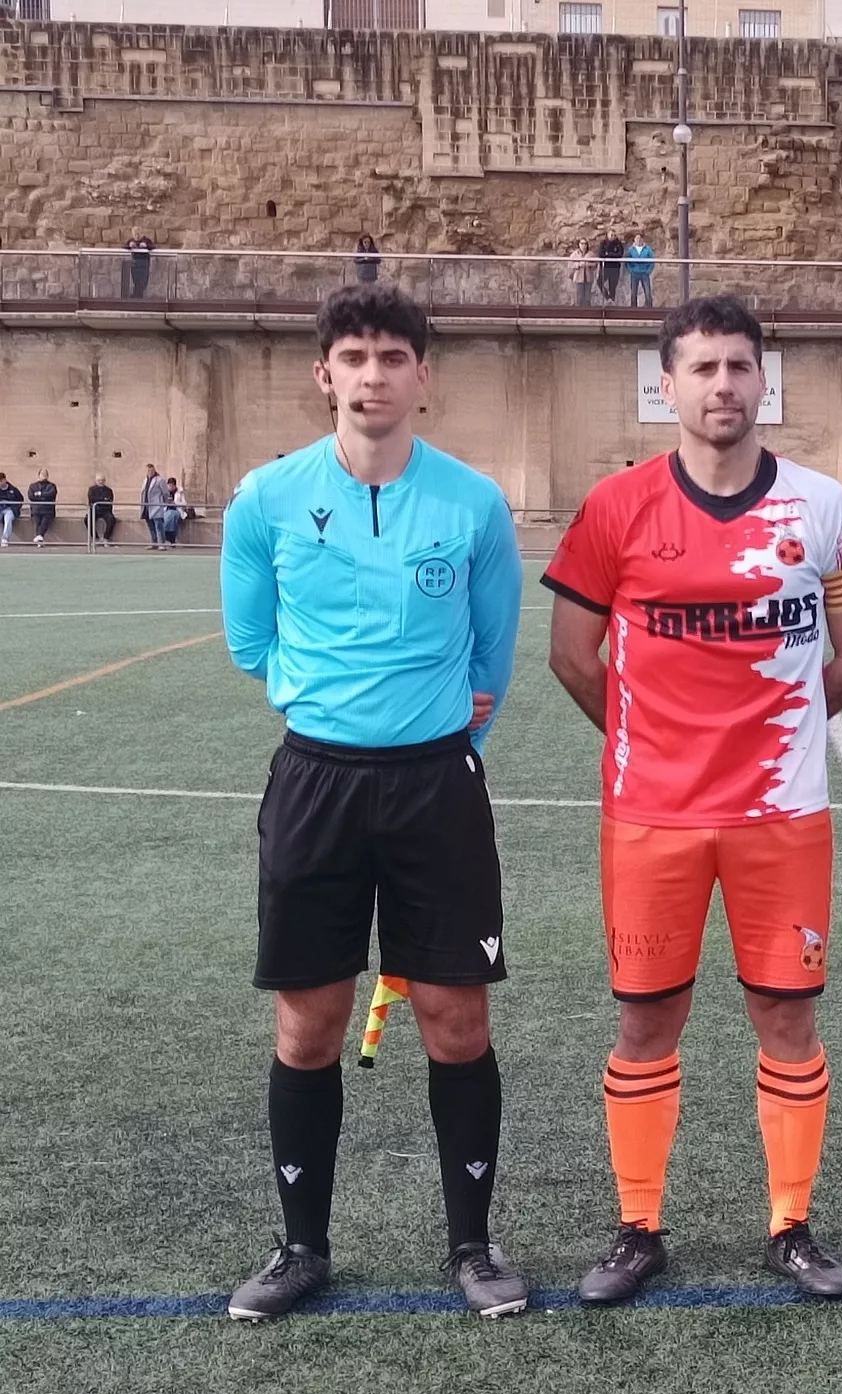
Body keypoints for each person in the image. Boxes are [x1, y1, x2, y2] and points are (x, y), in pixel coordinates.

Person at [543, 296, 842, 1304]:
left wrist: (771, 735)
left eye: (740, 367)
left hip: (781, 813)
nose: (723, 385)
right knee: (648, 1019)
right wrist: (653, 743)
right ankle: (637, 1226)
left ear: (761, 380)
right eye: (702, 369)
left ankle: (791, 1225)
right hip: (652, 816)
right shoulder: (616, 507)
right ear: (667, 385)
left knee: (786, 1014)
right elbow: (572, 656)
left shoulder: (822, 508)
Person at [218, 283, 526, 1322]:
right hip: (316, 783)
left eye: (394, 357)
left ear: (422, 376)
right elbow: (250, 642)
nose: (374, 375)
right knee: (310, 1022)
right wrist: (337, 717)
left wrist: (433, 742)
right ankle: (301, 1247)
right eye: (354, 356)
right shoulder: (266, 497)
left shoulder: (473, 503)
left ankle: (473, 1247)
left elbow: (491, 658)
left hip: (437, 785)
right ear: (325, 373)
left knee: (455, 1018)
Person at [141, 463, 169, 549]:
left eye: (151, 470)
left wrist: (162, 502)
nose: (150, 472)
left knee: (158, 525)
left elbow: (165, 492)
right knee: (151, 525)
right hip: (146, 505)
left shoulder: (159, 480)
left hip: (156, 505)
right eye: (148, 470)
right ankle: (154, 542)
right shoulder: (145, 480)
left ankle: (161, 544)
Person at [27, 470, 56, 547]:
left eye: (45, 474)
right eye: (42, 474)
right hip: (36, 509)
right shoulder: (33, 486)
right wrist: (43, 497)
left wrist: (39, 494)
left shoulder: (51, 486)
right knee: (37, 523)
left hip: (48, 509)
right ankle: (40, 539)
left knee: (45, 521)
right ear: (38, 475)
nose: (43, 476)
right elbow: (31, 496)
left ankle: (39, 536)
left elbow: (51, 494)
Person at [626, 235, 656, 308]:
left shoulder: (647, 249)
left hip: (644, 273)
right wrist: (630, 270)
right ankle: (633, 308)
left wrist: (648, 270)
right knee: (633, 292)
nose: (639, 240)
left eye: (640, 239)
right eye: (637, 239)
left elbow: (652, 260)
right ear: (634, 240)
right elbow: (627, 261)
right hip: (634, 273)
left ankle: (649, 308)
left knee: (647, 292)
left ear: (642, 240)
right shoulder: (631, 249)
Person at [123, 233, 156, 299]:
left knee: (143, 282)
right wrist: (130, 246)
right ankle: (137, 297)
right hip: (135, 265)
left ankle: (138, 296)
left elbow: (153, 247)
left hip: (144, 265)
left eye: (138, 234)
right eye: (135, 234)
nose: (137, 236)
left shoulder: (146, 240)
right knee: (136, 282)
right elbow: (124, 247)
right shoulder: (132, 240)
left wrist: (146, 246)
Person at [159, 476, 188, 547]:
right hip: (166, 510)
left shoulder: (180, 492)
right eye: (169, 485)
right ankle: (170, 538)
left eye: (172, 485)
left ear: (175, 485)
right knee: (168, 517)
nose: (170, 487)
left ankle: (170, 538)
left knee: (173, 516)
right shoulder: (165, 493)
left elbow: (184, 503)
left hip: (177, 510)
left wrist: (175, 503)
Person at [598, 233, 626, 305]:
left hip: (615, 267)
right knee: (599, 281)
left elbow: (620, 254)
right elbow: (601, 254)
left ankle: (611, 301)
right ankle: (607, 297)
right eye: (611, 235)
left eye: (614, 235)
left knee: (613, 286)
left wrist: (608, 254)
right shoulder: (603, 243)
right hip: (605, 267)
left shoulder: (618, 244)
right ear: (607, 235)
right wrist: (612, 255)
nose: (613, 236)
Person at [88, 474, 115, 543]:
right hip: (95, 510)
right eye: (99, 480)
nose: (101, 482)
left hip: (105, 510)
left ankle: (106, 538)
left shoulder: (108, 490)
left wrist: (98, 500)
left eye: (102, 480)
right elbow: (91, 499)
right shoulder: (91, 489)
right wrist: (103, 499)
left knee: (111, 519)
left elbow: (110, 500)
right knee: (88, 520)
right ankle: (95, 538)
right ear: (96, 481)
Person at [569, 239, 595, 306]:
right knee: (579, 295)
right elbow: (570, 264)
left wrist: (588, 264)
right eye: (582, 243)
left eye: (585, 244)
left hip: (588, 277)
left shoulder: (591, 254)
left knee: (587, 296)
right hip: (578, 278)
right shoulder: (575, 254)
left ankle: (588, 311)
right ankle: (579, 311)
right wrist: (578, 265)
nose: (584, 245)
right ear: (579, 244)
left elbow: (596, 264)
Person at [0, 473, 21, 548]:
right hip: (0, 509)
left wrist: (15, 508)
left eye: (1, 481)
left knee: (8, 518)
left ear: (4, 480)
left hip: (10, 509)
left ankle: (5, 539)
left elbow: (20, 499)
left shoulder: (13, 489)